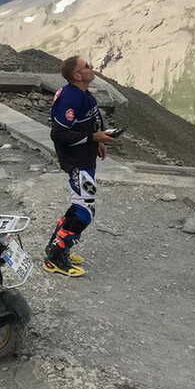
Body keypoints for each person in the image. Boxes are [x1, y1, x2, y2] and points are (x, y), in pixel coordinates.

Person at [43, 56, 115, 277]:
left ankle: (56, 246)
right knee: (85, 210)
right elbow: (59, 134)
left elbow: (89, 121)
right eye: (87, 66)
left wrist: (98, 142)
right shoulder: (69, 98)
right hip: (76, 161)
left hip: (86, 156)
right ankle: (55, 258)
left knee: (79, 204)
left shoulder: (83, 94)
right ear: (76, 75)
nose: (92, 68)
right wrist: (93, 137)